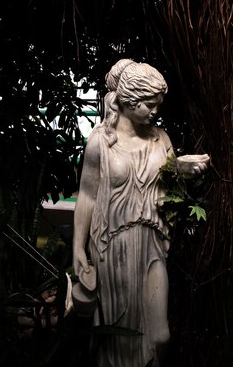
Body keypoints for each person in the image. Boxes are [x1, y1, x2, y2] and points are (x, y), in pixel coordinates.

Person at [72, 59, 207, 367]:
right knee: (118, 334)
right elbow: (88, 195)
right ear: (128, 101)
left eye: (158, 105)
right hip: (112, 246)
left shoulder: (161, 138)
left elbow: (171, 183)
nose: (155, 111)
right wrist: (77, 248)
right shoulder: (100, 142)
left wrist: (182, 168)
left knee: (160, 335)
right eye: (149, 105)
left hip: (153, 245)